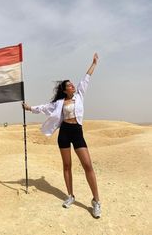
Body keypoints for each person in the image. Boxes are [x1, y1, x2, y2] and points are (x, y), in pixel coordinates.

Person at [22, 53, 101, 218]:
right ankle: (70, 195)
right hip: (64, 133)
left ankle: (96, 201)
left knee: (88, 166)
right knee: (67, 166)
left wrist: (93, 63)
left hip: (77, 132)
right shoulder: (58, 103)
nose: (73, 86)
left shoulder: (79, 96)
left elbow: (86, 78)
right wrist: (29, 108)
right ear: (65, 90)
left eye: (73, 84)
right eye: (70, 85)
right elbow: (44, 108)